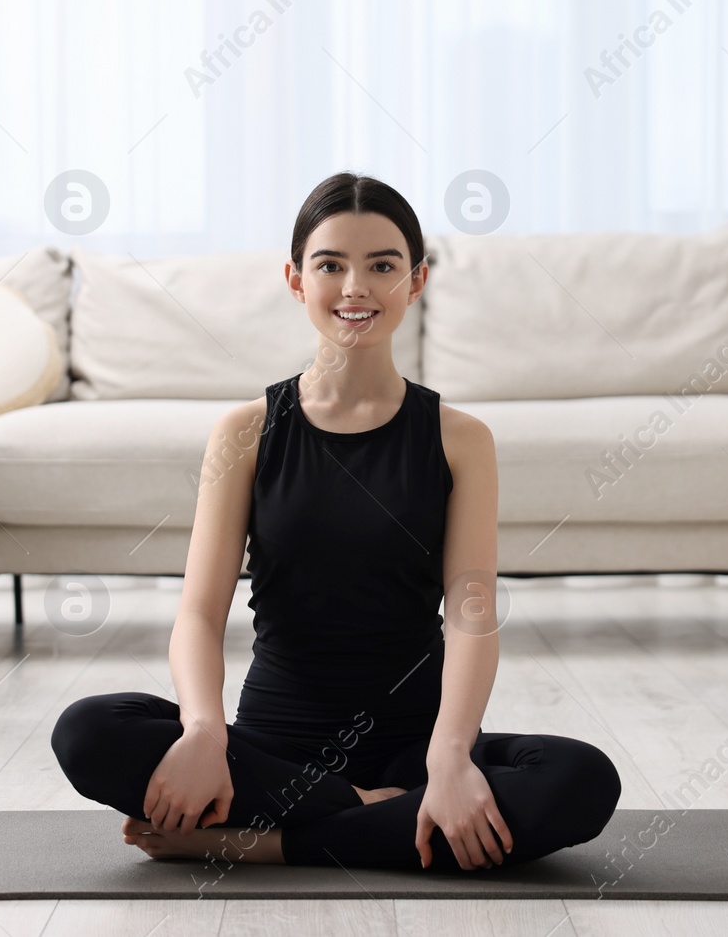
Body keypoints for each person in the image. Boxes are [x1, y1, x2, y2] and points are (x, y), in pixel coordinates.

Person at [51, 172, 621, 873]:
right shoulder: (245, 431)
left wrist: (449, 756)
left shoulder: (460, 438)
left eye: (382, 265)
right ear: (295, 280)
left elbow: (471, 612)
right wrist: (202, 729)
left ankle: (268, 841)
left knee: (581, 779)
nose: (357, 287)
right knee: (88, 731)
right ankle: (368, 813)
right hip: (265, 751)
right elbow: (199, 613)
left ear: (416, 282)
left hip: (416, 749)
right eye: (331, 264)